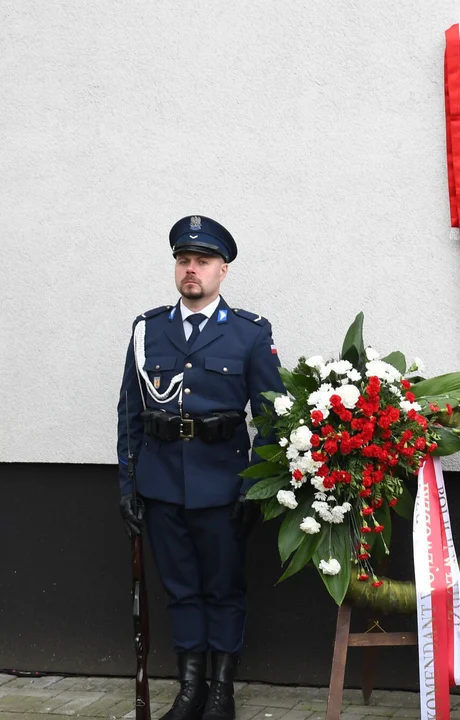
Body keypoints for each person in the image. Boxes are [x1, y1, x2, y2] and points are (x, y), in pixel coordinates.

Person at [116, 215, 284, 720]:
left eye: (203, 262)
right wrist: (128, 482)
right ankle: (189, 692)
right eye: (184, 261)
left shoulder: (251, 334)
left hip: (222, 485)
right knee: (182, 589)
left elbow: (271, 417)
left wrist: (255, 488)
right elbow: (129, 412)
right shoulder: (149, 330)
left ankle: (221, 693)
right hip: (162, 483)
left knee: (224, 588)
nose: (192, 270)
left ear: (222, 271)